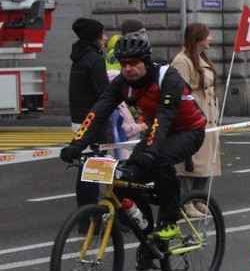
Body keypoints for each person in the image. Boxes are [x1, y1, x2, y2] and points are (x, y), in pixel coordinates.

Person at [60, 32, 207, 243]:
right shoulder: (122, 83)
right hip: (156, 132)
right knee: (126, 179)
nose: (127, 68)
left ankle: (170, 223)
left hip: (188, 130)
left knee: (159, 158)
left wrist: (150, 149)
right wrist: (77, 144)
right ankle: (149, 239)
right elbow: (98, 111)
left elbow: (164, 116)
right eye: (123, 63)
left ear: (146, 61)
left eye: (133, 63)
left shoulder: (167, 77)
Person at [172, 22, 221, 215]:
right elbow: (179, 89)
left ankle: (200, 197)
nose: (211, 39)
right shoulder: (181, 60)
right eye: (207, 35)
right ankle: (186, 201)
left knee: (207, 160)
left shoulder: (202, 58)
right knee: (191, 161)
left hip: (208, 116)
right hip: (194, 115)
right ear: (198, 38)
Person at [67, 17, 111, 209]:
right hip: (93, 122)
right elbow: (105, 93)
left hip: (79, 120)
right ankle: (92, 214)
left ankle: (85, 214)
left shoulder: (79, 58)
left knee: (85, 168)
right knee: (94, 170)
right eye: (103, 34)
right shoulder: (95, 61)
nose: (106, 37)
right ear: (95, 37)